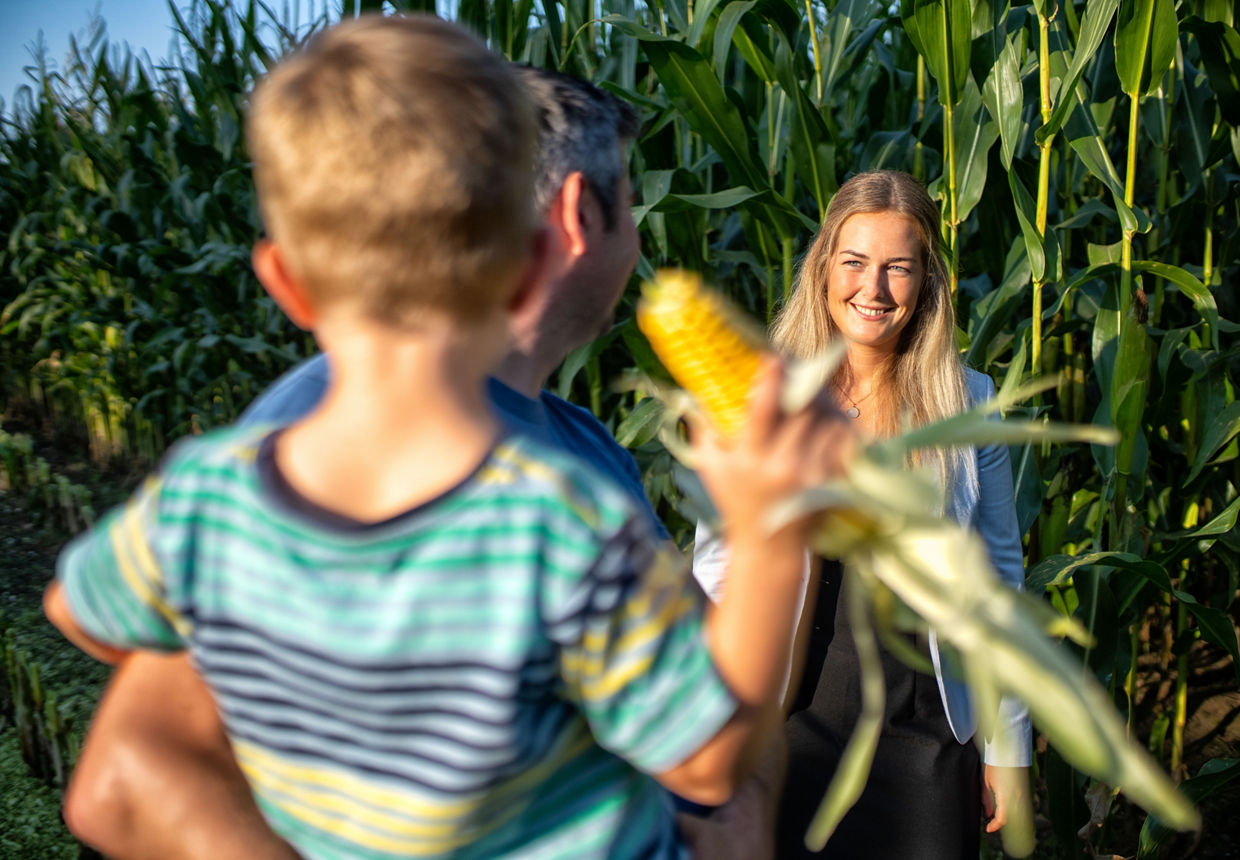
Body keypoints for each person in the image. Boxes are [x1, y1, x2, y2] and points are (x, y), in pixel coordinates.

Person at [45, 16, 848, 860]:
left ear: (283, 282)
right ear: (541, 254)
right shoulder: (552, 519)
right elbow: (710, 759)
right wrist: (770, 535)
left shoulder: (204, 494)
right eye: (637, 207)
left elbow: (77, 609)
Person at [692, 169, 1032, 859]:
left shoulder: (970, 403)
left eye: (898, 268)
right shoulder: (756, 398)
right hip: (790, 720)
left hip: (926, 730)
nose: (872, 290)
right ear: (824, 268)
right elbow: (716, 575)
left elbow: (1000, 585)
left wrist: (1011, 750)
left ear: (927, 283)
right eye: (854, 263)